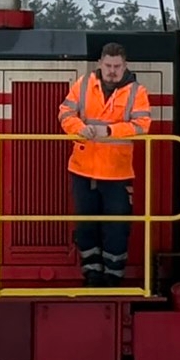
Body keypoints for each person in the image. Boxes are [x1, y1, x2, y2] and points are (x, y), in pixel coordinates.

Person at [58, 42, 152, 286]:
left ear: (125, 65)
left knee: (116, 228)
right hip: (83, 169)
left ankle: (113, 277)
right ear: (100, 63)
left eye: (117, 66)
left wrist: (109, 131)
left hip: (117, 173)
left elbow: (142, 125)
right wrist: (80, 128)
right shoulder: (83, 84)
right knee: (86, 225)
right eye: (108, 65)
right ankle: (91, 274)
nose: (112, 71)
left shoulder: (137, 92)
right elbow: (65, 113)